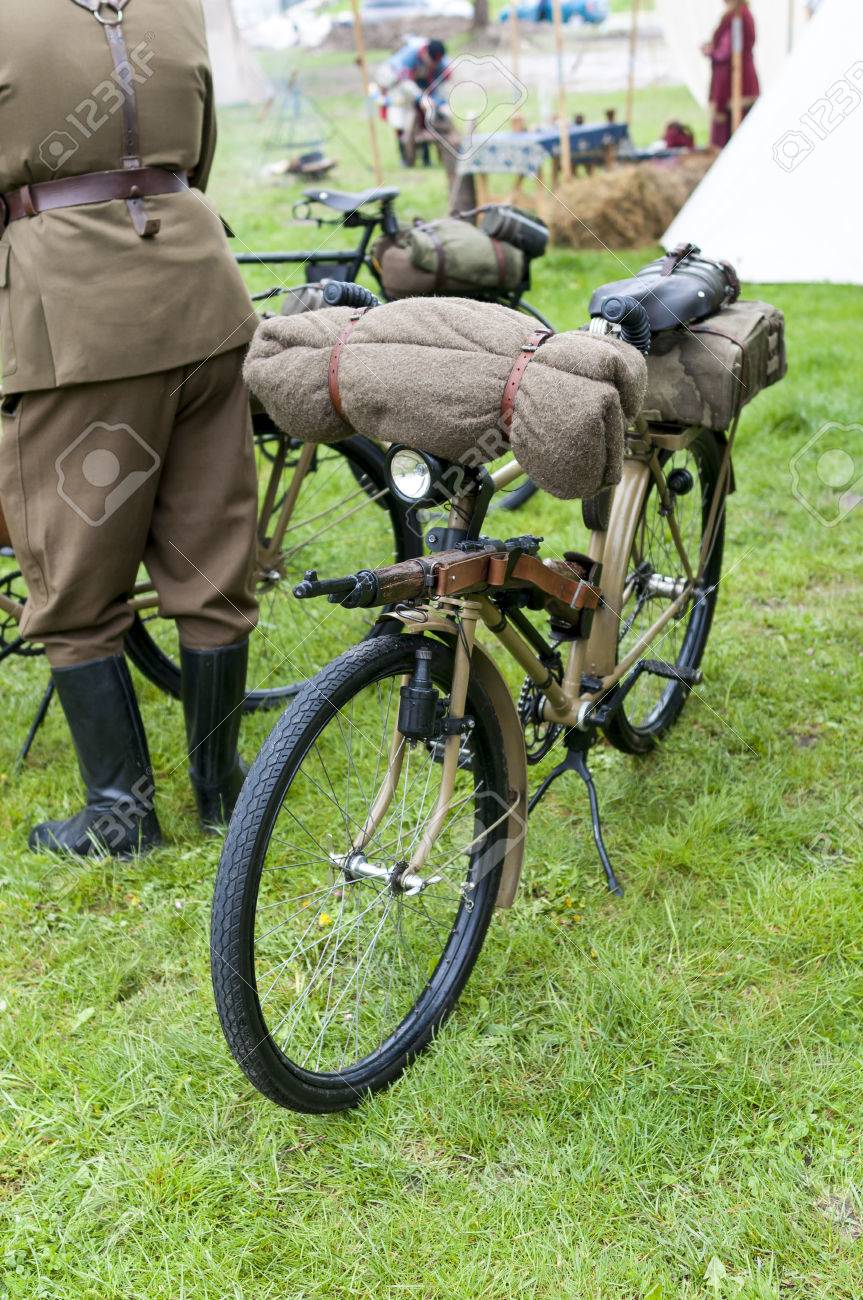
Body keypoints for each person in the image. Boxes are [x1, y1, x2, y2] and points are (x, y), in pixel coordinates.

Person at [0, 0, 260, 856]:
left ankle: (121, 815)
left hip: (75, 316)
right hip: (201, 291)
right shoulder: (173, 6)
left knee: (74, 579)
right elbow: (201, 150)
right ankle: (223, 798)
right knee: (213, 560)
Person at [702, 0, 760, 149]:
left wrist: (711, 51)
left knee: (736, 140)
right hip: (738, 82)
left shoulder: (738, 16)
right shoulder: (739, 14)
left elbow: (727, 53)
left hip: (735, 84)